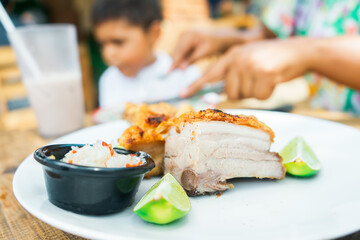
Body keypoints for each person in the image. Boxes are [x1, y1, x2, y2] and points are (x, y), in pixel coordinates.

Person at [171, 0, 360, 115]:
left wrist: (308, 51)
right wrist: (226, 40)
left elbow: (294, 48)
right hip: (324, 125)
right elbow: (274, 38)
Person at [92, 0, 201, 109]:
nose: (108, 54)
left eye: (118, 42)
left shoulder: (183, 74)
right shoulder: (109, 81)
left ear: (154, 33)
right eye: (102, 44)